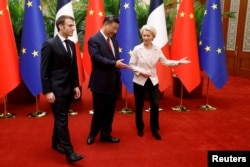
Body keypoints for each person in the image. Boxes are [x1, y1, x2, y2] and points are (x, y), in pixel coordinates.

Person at [129, 25, 190, 140]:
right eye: (144, 35)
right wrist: (141, 72)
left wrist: (178, 62)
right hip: (139, 81)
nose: (146, 37)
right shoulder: (137, 48)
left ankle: (154, 128)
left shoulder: (157, 49)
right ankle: (140, 127)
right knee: (139, 105)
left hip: (153, 80)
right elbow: (131, 65)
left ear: (153, 36)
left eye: (148, 35)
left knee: (155, 105)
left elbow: (165, 62)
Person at [41, 15, 84, 162]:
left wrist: (76, 85)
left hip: (68, 88)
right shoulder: (50, 44)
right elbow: (44, 70)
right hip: (56, 90)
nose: (73, 28)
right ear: (61, 26)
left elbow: (73, 68)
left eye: (73, 25)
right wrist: (47, 91)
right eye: (70, 26)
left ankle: (55, 142)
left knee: (61, 118)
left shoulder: (71, 44)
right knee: (62, 120)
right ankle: (70, 152)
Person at [86, 15, 129, 145]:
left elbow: (115, 58)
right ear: (105, 24)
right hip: (100, 82)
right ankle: (92, 134)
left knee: (110, 111)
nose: (115, 31)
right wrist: (114, 64)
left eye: (117, 29)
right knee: (99, 111)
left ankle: (106, 134)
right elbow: (96, 58)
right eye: (114, 28)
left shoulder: (114, 41)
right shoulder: (93, 40)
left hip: (113, 82)